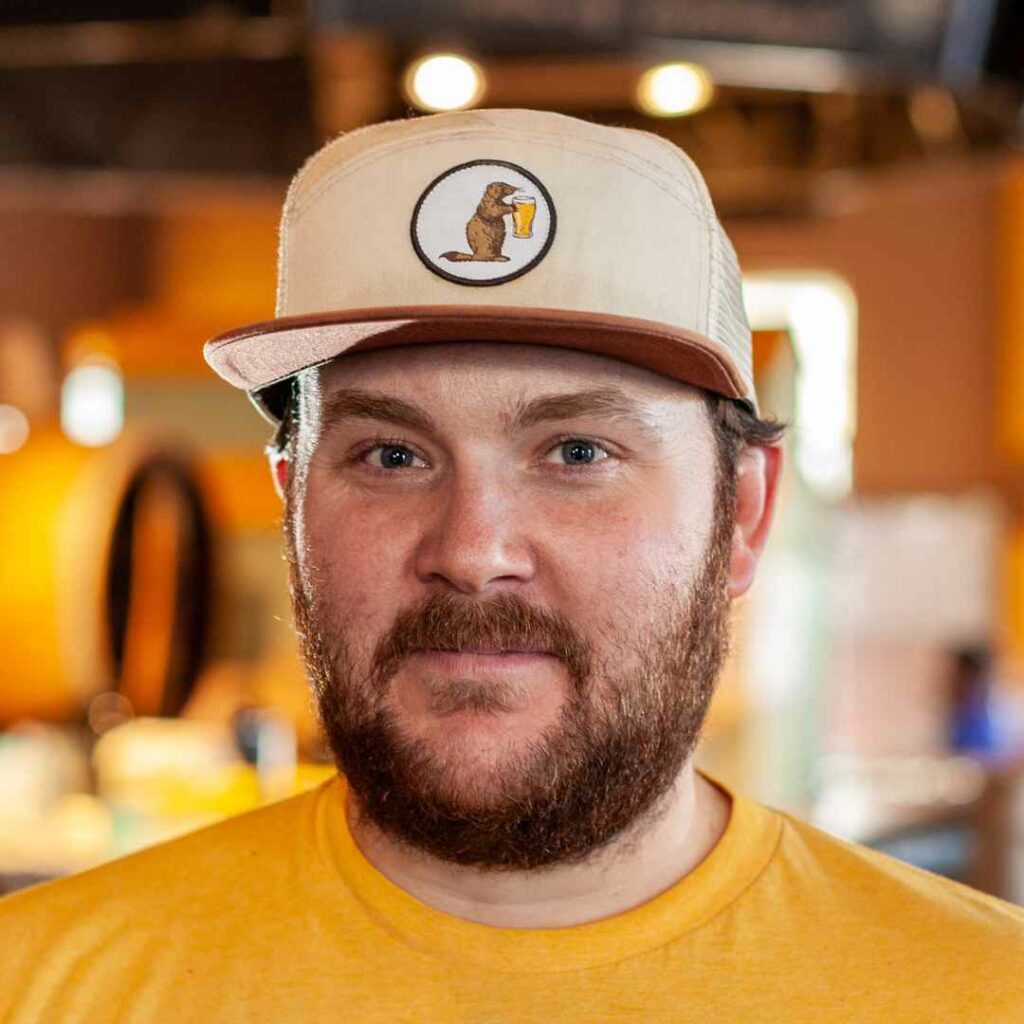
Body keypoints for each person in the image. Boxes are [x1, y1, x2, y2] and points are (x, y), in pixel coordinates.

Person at [3, 108, 1023, 1021]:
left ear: (742, 512)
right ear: (294, 505)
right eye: (391, 456)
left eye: (578, 453)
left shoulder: (981, 992)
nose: (472, 551)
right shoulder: (39, 986)